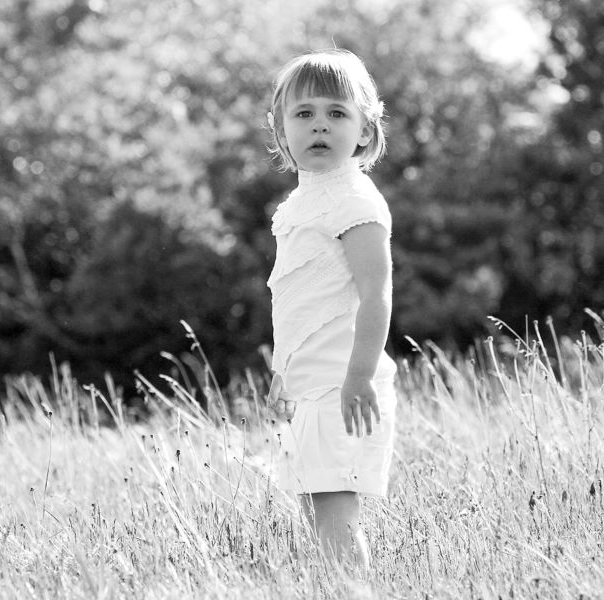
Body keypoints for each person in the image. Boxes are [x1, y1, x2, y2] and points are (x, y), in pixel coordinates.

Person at [265, 49, 397, 571]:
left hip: (345, 387)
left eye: (337, 114)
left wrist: (360, 376)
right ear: (281, 131)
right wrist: (283, 375)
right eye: (304, 114)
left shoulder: (355, 202)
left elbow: (376, 293)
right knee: (315, 519)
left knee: (337, 523)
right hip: (308, 385)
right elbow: (298, 304)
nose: (320, 125)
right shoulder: (301, 204)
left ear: (364, 130)